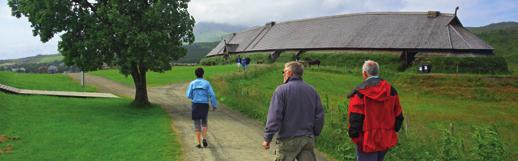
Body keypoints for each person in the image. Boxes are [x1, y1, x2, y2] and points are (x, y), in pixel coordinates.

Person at [262, 61, 325, 161]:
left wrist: (267, 138)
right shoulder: (312, 90)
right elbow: (319, 116)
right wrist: (314, 133)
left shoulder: (281, 90)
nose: (283, 74)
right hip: (307, 138)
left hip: (288, 139)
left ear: (289, 73)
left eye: (283, 72)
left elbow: (275, 116)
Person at [346, 60, 404, 161]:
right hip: (385, 139)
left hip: (366, 140)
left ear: (364, 73)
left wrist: (355, 138)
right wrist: (391, 132)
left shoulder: (360, 93)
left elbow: (355, 117)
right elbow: (398, 115)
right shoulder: (391, 91)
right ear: (377, 72)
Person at [186, 67, 218, 148]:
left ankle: (199, 143)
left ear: (195, 74)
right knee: (204, 122)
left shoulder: (192, 83)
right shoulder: (207, 83)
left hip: (195, 104)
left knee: (197, 124)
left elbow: (188, 95)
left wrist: (194, 97)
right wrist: (214, 105)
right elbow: (212, 95)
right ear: (203, 74)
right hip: (204, 104)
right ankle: (204, 138)